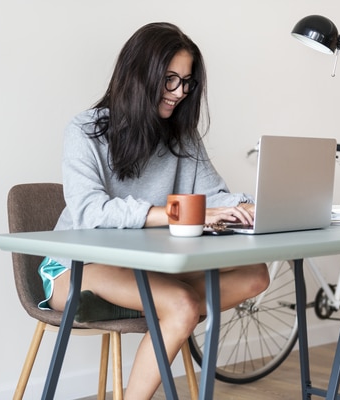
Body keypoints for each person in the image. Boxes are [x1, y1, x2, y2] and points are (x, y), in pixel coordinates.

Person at [39, 22, 270, 399]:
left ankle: (167, 314)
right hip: (74, 269)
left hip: (142, 267)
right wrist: (181, 213)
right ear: (140, 74)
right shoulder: (85, 131)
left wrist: (249, 207)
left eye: (187, 82)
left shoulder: (182, 139)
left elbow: (212, 196)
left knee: (255, 275)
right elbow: (89, 211)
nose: (180, 92)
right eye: (170, 79)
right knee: (182, 305)